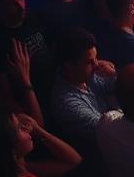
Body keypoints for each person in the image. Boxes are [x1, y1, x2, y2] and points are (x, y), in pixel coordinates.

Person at [50, 26, 117, 156]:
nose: (97, 64)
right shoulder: (67, 103)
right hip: (100, 156)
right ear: (68, 65)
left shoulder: (85, 74)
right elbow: (108, 132)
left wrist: (114, 73)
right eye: (89, 62)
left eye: (96, 58)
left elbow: (119, 85)